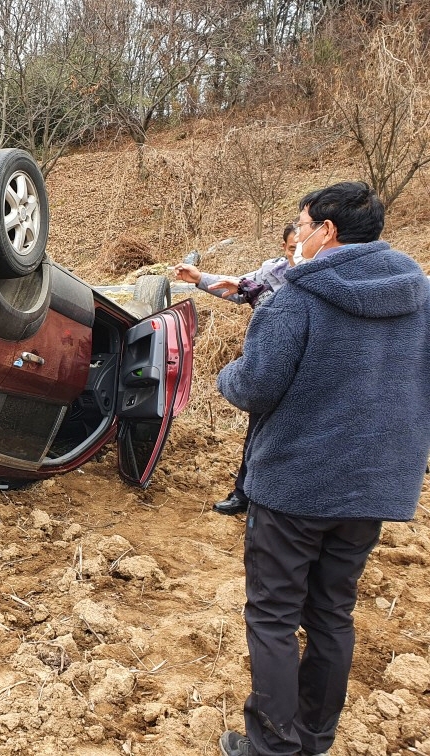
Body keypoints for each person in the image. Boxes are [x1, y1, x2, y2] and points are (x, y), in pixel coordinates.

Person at [215, 181, 430, 756]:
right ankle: (314, 739)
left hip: (295, 485)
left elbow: (255, 384)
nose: (298, 235)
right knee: (333, 613)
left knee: (273, 616)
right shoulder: (420, 294)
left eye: (302, 225)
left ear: (326, 232)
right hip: (376, 486)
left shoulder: (299, 295)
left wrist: (224, 377)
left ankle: (272, 747)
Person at [173, 223, 296, 516]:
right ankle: (244, 494)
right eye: (293, 248)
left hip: (307, 371)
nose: (299, 254)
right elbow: (241, 287)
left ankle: (281, 502)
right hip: (273, 366)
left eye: (303, 246)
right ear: (285, 247)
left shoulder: (322, 277)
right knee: (258, 430)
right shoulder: (273, 272)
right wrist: (200, 278)